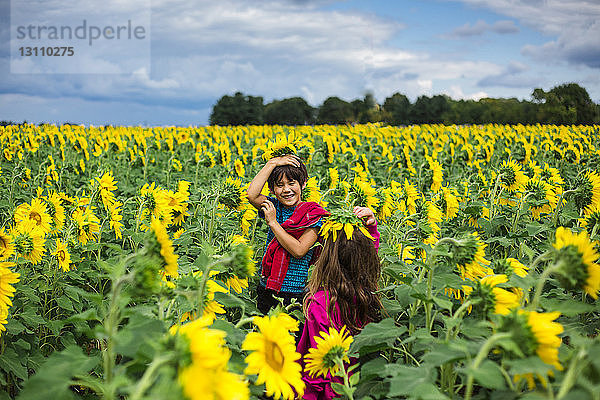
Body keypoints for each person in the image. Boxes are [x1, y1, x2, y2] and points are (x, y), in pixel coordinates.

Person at [297, 206, 382, 400]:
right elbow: (364, 255)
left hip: (331, 391)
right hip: (355, 385)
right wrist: (371, 230)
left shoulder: (319, 304)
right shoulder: (367, 294)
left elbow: (318, 362)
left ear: (326, 257)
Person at [247, 154, 328, 315]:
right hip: (267, 287)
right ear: (272, 189)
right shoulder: (275, 207)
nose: (286, 190)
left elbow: (299, 250)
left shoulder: (312, 215)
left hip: (294, 294)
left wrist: (273, 223)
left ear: (303, 184)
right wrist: (272, 163)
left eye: (291, 183)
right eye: (279, 185)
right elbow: (251, 195)